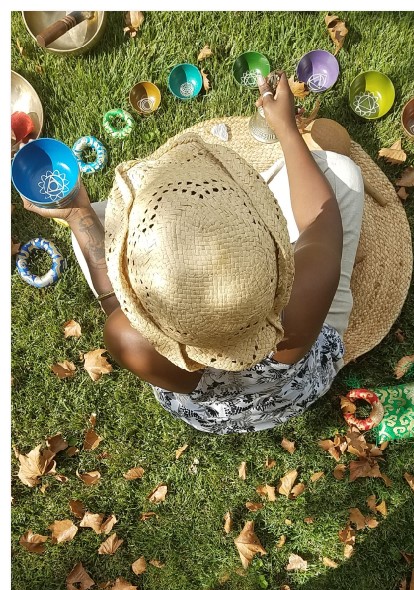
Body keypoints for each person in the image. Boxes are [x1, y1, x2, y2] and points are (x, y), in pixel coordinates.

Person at [21, 72, 364, 434]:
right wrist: (287, 129)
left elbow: (114, 299)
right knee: (342, 172)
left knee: (91, 230)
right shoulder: (306, 291)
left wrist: (79, 214)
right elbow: (320, 218)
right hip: (293, 383)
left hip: (213, 412)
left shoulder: (128, 337)